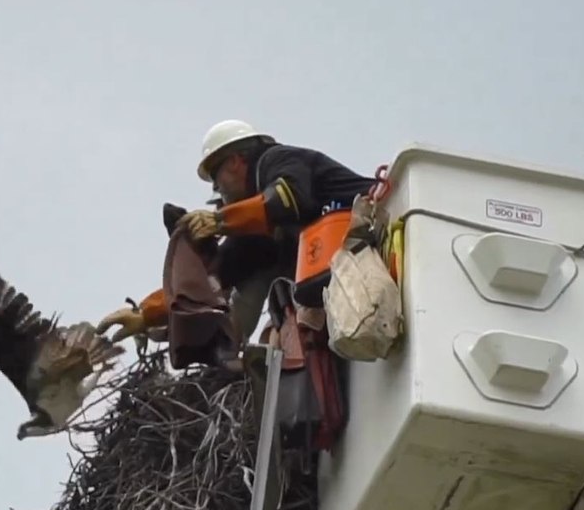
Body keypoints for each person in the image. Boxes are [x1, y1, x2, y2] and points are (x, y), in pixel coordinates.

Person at [96, 119, 378, 346]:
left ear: (234, 161)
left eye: (216, 181)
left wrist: (219, 220)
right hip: (347, 288)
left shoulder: (278, 160)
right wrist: (146, 314)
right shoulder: (256, 232)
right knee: (259, 306)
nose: (219, 191)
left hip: (380, 238)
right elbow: (211, 280)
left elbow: (288, 197)